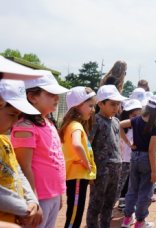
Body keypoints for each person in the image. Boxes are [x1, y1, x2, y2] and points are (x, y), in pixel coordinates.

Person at [11, 71, 69, 228]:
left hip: (52, 195)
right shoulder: (25, 127)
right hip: (38, 198)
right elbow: (24, 167)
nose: (57, 98)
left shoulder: (47, 122)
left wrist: (59, 194)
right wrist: (33, 201)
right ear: (32, 97)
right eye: (51, 93)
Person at [119, 95, 156, 228]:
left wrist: (129, 143)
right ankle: (140, 221)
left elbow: (119, 125)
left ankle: (127, 218)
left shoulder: (136, 119)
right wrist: (154, 172)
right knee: (145, 192)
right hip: (147, 160)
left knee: (132, 189)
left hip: (134, 158)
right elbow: (152, 150)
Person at [0, 79, 42, 226]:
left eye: (18, 116)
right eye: (12, 114)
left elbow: (18, 173)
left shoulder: (5, 142)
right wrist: (23, 208)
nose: (15, 121)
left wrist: (32, 201)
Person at [86, 85, 127, 228]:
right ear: (101, 104)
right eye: (112, 104)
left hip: (116, 167)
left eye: (118, 104)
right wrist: (90, 169)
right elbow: (88, 144)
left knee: (109, 203)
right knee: (96, 203)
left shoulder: (116, 121)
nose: (116, 107)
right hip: (101, 169)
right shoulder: (95, 121)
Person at [59, 86, 97, 228]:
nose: (93, 110)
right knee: (75, 214)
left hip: (78, 175)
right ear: (77, 106)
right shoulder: (75, 125)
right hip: (76, 175)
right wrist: (86, 163)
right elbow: (76, 144)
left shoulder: (74, 124)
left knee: (77, 211)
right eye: (90, 106)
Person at [117, 98, 143, 209]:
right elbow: (119, 128)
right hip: (124, 158)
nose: (136, 117)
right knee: (122, 180)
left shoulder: (138, 126)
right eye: (133, 115)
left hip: (133, 158)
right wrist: (129, 143)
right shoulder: (124, 126)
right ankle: (120, 199)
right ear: (127, 114)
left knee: (131, 180)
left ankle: (126, 200)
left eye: (138, 114)